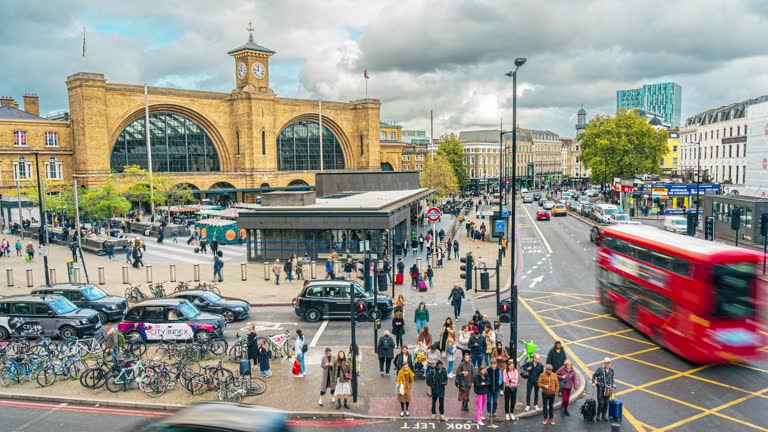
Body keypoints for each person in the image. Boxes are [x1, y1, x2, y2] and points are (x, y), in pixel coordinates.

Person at [591, 357, 616, 422]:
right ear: (604, 363)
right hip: (600, 388)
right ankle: (598, 414)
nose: (608, 364)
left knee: (606, 403)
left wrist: (613, 384)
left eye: (609, 363)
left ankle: (604, 415)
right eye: (607, 363)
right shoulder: (600, 369)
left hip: (608, 389)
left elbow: (612, 378)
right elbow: (594, 375)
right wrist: (593, 382)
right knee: (601, 402)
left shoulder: (611, 370)